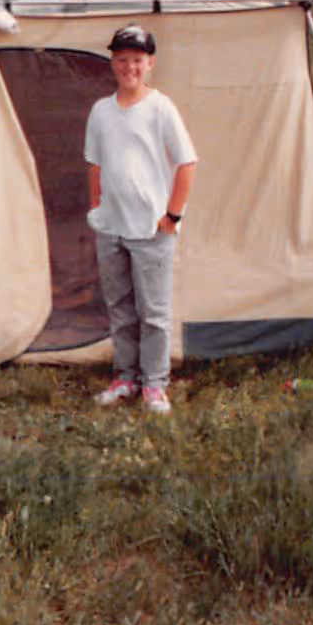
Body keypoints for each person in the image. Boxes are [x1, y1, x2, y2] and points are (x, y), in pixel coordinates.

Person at [85, 23, 197, 414]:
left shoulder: (161, 107)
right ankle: (125, 377)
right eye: (121, 59)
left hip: (152, 229)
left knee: (153, 313)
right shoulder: (100, 111)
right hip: (111, 228)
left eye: (136, 60)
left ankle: (154, 384)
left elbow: (186, 163)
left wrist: (172, 215)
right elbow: (95, 166)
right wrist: (97, 211)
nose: (128, 67)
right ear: (112, 62)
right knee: (120, 307)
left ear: (149, 64)